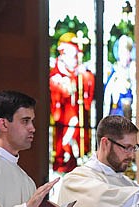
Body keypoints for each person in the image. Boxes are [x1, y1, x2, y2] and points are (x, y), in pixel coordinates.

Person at [50, 32, 95, 173]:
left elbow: (88, 88)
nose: (75, 59)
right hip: (63, 117)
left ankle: (79, 155)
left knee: (77, 128)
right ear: (63, 55)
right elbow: (57, 92)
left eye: (76, 55)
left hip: (79, 116)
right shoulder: (56, 75)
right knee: (70, 127)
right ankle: (64, 155)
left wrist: (85, 77)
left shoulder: (80, 74)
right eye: (72, 55)